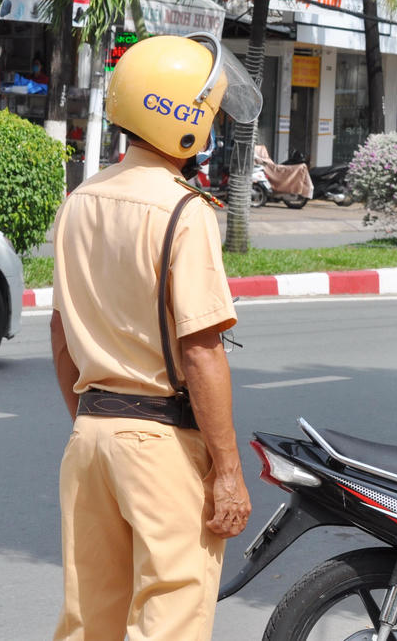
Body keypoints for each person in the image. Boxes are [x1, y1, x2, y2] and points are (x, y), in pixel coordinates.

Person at [49, 32, 262, 641]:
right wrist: (226, 471)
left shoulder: (80, 201)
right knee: (170, 617)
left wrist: (94, 422)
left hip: (89, 440)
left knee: (90, 621)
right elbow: (201, 351)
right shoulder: (183, 212)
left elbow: (63, 334)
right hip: (160, 444)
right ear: (184, 122)